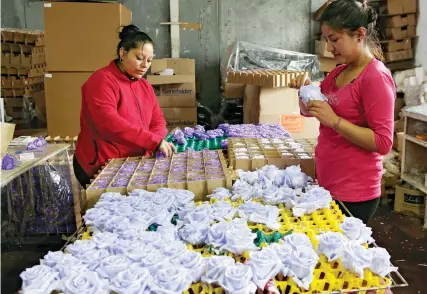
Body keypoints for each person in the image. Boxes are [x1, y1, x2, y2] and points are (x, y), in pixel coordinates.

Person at [291, 0, 395, 224]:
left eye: (335, 39)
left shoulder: (375, 78)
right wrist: (304, 92)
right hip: (328, 184)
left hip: (355, 193)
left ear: (359, 34)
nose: (329, 48)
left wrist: (335, 121)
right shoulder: (337, 73)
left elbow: (383, 142)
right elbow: (312, 112)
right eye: (327, 40)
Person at [73, 25, 176, 187]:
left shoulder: (145, 86)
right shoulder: (102, 81)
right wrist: (152, 141)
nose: (145, 65)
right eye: (139, 58)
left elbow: (157, 120)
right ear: (123, 53)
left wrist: (156, 142)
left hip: (131, 164)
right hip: (101, 165)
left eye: (149, 60)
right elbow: (109, 123)